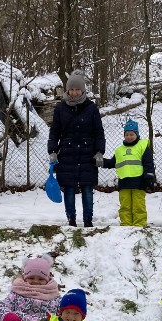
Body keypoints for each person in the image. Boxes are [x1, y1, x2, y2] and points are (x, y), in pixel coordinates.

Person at [47, 72, 106, 227]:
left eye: (77, 89)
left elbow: (98, 132)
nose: (74, 93)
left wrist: (99, 151)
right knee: (69, 188)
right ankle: (71, 220)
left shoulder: (91, 108)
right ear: (67, 90)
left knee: (87, 188)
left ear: (82, 90)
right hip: (67, 154)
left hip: (88, 154)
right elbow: (54, 132)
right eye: (71, 89)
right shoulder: (60, 108)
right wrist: (52, 151)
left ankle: (88, 221)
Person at [102, 119, 155, 227]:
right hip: (124, 183)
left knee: (138, 206)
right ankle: (125, 226)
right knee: (125, 206)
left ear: (136, 134)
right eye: (127, 134)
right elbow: (112, 163)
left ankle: (139, 225)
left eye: (131, 134)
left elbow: (148, 163)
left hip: (139, 182)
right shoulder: (119, 150)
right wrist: (99, 161)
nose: (129, 137)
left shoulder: (142, 146)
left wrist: (149, 177)